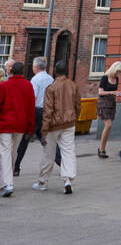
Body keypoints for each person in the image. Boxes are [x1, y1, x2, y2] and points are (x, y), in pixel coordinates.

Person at [35, 61, 80, 195]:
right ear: (67, 71)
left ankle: (42, 181)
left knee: (49, 153)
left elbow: (48, 111)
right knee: (68, 152)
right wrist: (75, 117)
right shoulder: (74, 86)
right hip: (69, 123)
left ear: (55, 71)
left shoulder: (51, 88)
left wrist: (44, 130)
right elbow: (78, 105)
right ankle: (68, 180)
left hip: (53, 125)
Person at [0, 61, 36, 196]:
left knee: (4, 153)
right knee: (13, 153)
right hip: (21, 125)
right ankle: (5, 181)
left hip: (5, 124)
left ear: (11, 71)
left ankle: (7, 183)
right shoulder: (28, 86)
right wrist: (30, 128)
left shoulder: (4, 86)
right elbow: (30, 108)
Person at [13, 56, 52, 176]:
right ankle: (63, 163)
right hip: (47, 111)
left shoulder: (35, 80)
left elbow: (32, 98)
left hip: (36, 112)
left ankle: (16, 167)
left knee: (25, 140)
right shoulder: (51, 79)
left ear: (35, 67)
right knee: (46, 140)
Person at [96, 61, 121, 158]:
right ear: (113, 68)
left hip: (111, 103)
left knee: (109, 127)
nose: (118, 74)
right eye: (117, 71)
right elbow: (100, 92)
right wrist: (113, 92)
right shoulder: (105, 78)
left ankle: (102, 148)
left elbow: (113, 92)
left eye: (120, 72)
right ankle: (101, 149)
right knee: (108, 125)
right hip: (103, 103)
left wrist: (118, 93)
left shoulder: (116, 78)